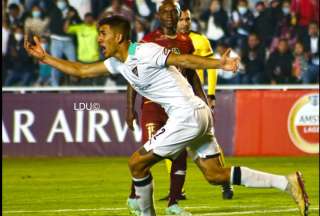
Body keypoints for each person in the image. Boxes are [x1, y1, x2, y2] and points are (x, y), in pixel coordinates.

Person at [24, 15, 309, 216]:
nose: (99, 39)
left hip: (187, 115)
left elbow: (183, 59)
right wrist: (45, 58)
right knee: (215, 175)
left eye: (103, 34)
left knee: (136, 164)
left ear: (119, 36)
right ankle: (288, 183)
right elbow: (81, 70)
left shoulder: (146, 51)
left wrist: (220, 63)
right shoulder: (118, 63)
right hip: (196, 114)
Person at [126, 1, 209, 215]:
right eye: (165, 12)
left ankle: (173, 204)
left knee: (179, 154)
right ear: (158, 15)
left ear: (179, 15)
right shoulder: (143, 41)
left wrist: (203, 100)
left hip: (179, 108)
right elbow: (130, 73)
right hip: (152, 105)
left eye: (174, 12)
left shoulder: (186, 42)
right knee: (150, 153)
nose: (170, 15)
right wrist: (129, 108)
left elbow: (192, 74)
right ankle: (134, 197)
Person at [176, 7, 234, 199]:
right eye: (182, 19)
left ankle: (225, 182)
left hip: (198, 100)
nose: (185, 22)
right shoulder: (165, 42)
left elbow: (212, 69)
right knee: (174, 146)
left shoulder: (200, 40)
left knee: (210, 142)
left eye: (188, 19)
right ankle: (177, 189)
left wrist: (211, 95)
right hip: (176, 100)